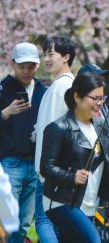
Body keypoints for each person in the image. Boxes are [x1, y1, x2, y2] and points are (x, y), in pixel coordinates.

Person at [40, 72, 109, 243]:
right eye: (95, 98)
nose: (100, 103)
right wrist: (71, 177)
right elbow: (46, 167)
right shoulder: (58, 128)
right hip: (61, 201)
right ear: (77, 97)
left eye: (102, 98)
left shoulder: (99, 126)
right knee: (93, 240)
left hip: (89, 202)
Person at [1, 43, 47, 243]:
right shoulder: (3, 88)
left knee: (24, 225)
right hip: (11, 163)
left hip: (36, 164)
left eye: (31, 66)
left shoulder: (43, 90)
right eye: (22, 66)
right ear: (12, 64)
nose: (27, 71)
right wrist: (6, 113)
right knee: (6, 223)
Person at [35, 35, 77, 243]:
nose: (47, 59)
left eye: (51, 54)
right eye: (45, 55)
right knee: (57, 223)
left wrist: (44, 168)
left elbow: (49, 130)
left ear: (66, 57)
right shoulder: (70, 86)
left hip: (49, 169)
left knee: (44, 221)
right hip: (61, 168)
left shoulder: (59, 88)